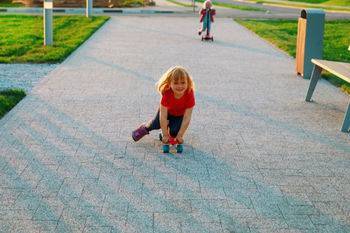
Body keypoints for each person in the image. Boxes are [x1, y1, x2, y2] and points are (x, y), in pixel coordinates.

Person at [132, 66, 195, 144]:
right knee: (155, 124)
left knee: (174, 133)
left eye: (183, 82)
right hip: (165, 112)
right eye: (175, 83)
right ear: (169, 83)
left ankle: (168, 127)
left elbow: (187, 118)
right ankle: (145, 127)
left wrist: (180, 135)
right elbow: (163, 116)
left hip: (179, 115)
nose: (179, 86)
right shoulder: (167, 94)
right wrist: (165, 135)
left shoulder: (189, 94)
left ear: (187, 82)